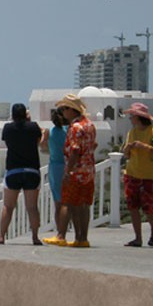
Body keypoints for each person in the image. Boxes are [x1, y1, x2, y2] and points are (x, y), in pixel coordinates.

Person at [43, 94, 97, 248]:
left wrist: (68, 171)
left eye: (64, 109)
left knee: (67, 202)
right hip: (88, 170)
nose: (63, 112)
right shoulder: (90, 125)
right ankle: (82, 238)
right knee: (84, 204)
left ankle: (61, 235)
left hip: (76, 171)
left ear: (71, 110)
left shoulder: (75, 127)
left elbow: (75, 150)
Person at [0, 103, 43, 245]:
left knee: (8, 206)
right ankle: (35, 237)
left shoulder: (8, 128)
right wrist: (29, 120)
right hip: (32, 170)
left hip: (13, 170)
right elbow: (37, 141)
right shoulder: (33, 127)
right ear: (26, 115)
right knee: (32, 207)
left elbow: (8, 143)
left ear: (13, 115)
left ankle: (1, 236)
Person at [121, 103, 153, 247]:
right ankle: (138, 237)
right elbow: (126, 155)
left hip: (149, 176)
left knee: (149, 207)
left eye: (132, 116)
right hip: (132, 173)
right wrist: (128, 148)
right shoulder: (132, 132)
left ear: (139, 117)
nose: (130, 119)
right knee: (133, 206)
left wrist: (144, 147)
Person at [43, 108, 69, 242]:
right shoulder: (68, 131)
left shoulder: (49, 132)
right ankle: (63, 232)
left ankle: (60, 233)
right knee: (66, 202)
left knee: (58, 203)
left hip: (55, 167)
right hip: (67, 165)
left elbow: (43, 147)